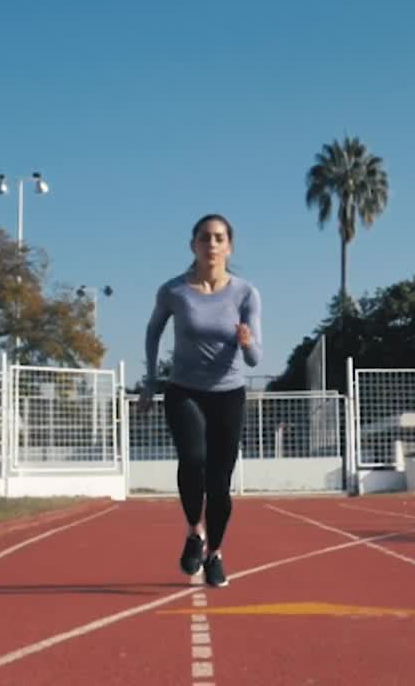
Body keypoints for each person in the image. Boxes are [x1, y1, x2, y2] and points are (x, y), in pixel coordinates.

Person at [138, 213, 262, 588]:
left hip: (228, 393)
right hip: (184, 389)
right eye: (205, 237)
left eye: (219, 238)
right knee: (193, 461)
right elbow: (153, 331)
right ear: (193, 245)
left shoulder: (245, 293)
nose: (212, 244)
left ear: (229, 246)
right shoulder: (174, 291)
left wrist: (246, 342)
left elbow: (256, 358)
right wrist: (150, 381)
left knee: (220, 483)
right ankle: (195, 531)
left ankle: (215, 554)